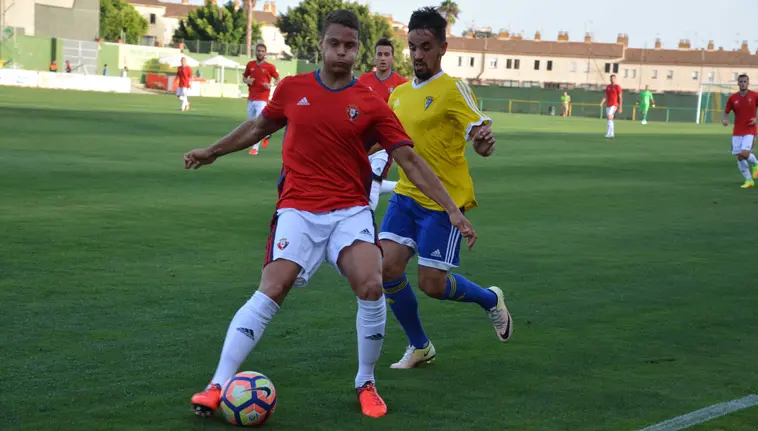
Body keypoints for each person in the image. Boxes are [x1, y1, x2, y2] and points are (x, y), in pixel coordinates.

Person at [184, 9, 477, 419]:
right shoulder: (292, 89)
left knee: (372, 284)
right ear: (321, 45)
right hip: (298, 208)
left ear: (358, 50)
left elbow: (409, 161)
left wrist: (453, 210)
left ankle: (366, 382)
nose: (342, 52)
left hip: (349, 211)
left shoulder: (370, 103)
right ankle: (217, 385)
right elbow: (256, 129)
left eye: (350, 45)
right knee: (273, 286)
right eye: (335, 43)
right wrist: (211, 151)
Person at [378, 7, 512, 370]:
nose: (418, 55)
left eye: (425, 47)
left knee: (432, 285)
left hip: (443, 201)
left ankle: (489, 300)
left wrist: (483, 143)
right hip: (406, 194)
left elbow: (479, 136)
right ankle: (419, 345)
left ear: (442, 48)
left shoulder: (454, 89)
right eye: (412, 47)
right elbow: (385, 139)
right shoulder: (400, 94)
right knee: (387, 268)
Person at [358, 37, 409, 210]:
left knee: (373, 179)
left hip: (385, 144)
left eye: (386, 54)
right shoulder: (362, 81)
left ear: (392, 58)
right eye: (379, 54)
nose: (382, 58)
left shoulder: (402, 85)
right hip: (363, 140)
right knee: (361, 182)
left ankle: (367, 224)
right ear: (374, 57)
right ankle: (402, 187)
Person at [722, 74, 758, 188]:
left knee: (744, 153)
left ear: (748, 82)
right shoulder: (733, 98)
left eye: (745, 81)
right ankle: (749, 180)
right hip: (737, 131)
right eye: (741, 81)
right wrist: (725, 119)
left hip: (750, 129)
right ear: (738, 83)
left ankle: (756, 163)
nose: (743, 83)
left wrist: (756, 119)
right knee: (739, 156)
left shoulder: (755, 96)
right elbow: (727, 110)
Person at [243, 43, 280, 155]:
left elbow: (278, 79)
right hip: (251, 97)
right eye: (258, 50)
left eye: (262, 51)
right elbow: (244, 77)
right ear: (255, 52)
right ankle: (267, 134)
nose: (260, 53)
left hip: (262, 98)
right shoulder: (250, 65)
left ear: (265, 53)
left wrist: (271, 85)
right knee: (250, 122)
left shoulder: (270, 67)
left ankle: (255, 148)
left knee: (258, 123)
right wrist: (247, 81)